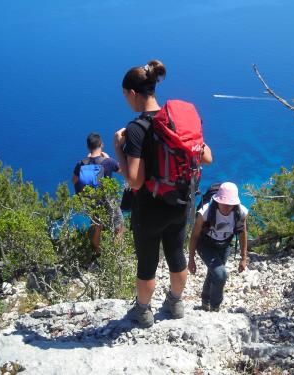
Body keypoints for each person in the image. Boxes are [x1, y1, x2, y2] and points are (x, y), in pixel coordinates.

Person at [114, 60, 212, 328]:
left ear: (133, 94)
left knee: (147, 262)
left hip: (150, 207)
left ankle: (143, 312)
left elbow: (135, 181)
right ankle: (175, 303)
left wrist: (118, 149)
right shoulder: (174, 121)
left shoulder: (135, 129)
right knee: (176, 254)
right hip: (180, 202)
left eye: (125, 96)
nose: (126, 101)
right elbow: (207, 157)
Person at [188, 182, 248, 312]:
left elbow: (243, 233)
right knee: (220, 275)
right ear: (217, 200)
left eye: (230, 204)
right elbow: (194, 236)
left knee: (213, 273)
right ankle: (215, 306)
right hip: (205, 245)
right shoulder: (205, 212)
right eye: (224, 203)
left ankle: (205, 301)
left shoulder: (241, 212)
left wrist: (244, 257)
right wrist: (191, 259)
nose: (227, 207)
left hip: (224, 245)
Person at [73, 133, 123, 256]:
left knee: (97, 226)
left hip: (91, 200)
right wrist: (109, 158)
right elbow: (123, 171)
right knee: (119, 226)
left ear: (88, 147)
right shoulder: (108, 162)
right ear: (101, 145)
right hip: (108, 200)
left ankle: (97, 252)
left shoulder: (81, 163)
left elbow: (74, 180)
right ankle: (115, 255)